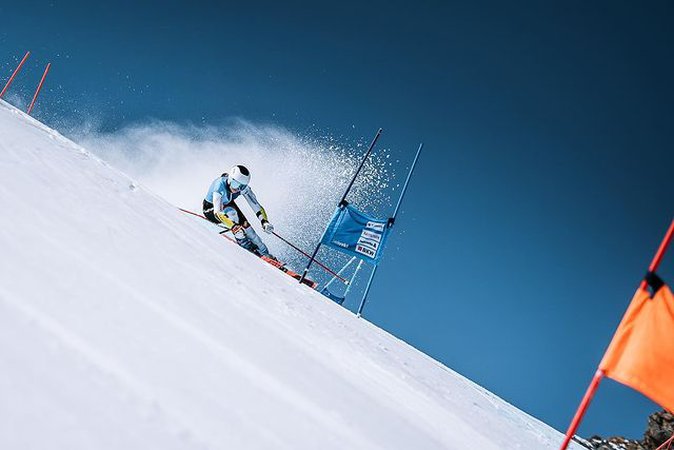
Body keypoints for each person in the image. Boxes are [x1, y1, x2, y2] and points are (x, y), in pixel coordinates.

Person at [203, 165, 275, 257]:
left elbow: (255, 205)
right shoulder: (219, 186)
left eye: (242, 186)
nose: (237, 189)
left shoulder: (241, 188)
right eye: (235, 184)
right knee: (234, 218)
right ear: (230, 180)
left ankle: (265, 253)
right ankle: (244, 243)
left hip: (228, 205)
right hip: (210, 209)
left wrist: (264, 221)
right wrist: (233, 226)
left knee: (250, 231)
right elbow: (217, 212)